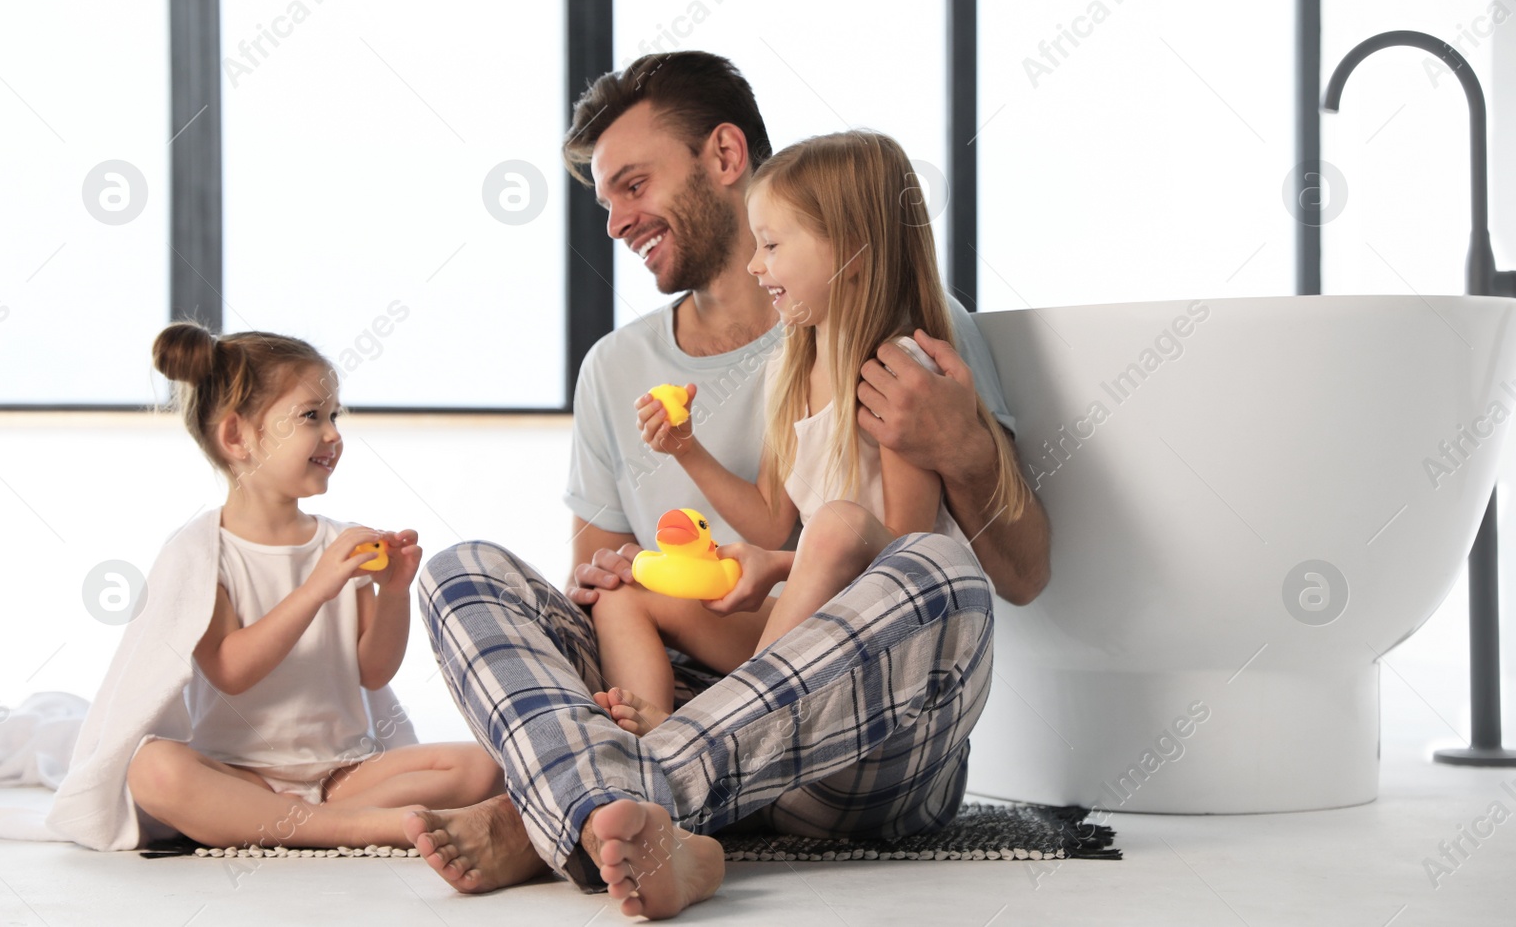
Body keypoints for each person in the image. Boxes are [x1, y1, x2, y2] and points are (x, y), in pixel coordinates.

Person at [404, 52, 1050, 918]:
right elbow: (598, 595)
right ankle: (641, 809)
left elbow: (1021, 574)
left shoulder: (915, 338)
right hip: (680, 690)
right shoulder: (616, 368)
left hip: (847, 736)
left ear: (724, 155)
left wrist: (962, 447)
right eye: (606, 202)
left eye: (634, 184)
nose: (616, 223)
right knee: (460, 570)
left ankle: (567, 811)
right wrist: (620, 573)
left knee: (940, 574)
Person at [590, 130, 1032, 734]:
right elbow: (772, 518)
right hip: (807, 634)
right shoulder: (792, 364)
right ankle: (648, 746)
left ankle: (706, 738)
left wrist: (776, 566)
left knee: (836, 524)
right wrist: (685, 448)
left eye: (770, 244)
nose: (754, 264)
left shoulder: (898, 375)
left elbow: (905, 560)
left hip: (888, 647)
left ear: (848, 249)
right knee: (624, 590)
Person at [114, 322, 502, 849]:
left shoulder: (340, 544)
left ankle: (290, 823)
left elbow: (373, 671)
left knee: (482, 765)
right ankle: (355, 828)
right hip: (240, 774)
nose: (334, 434)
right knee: (154, 769)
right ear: (237, 437)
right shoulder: (203, 552)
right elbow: (229, 671)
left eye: (334, 415)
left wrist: (393, 592)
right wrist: (316, 588)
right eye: (310, 416)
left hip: (344, 775)